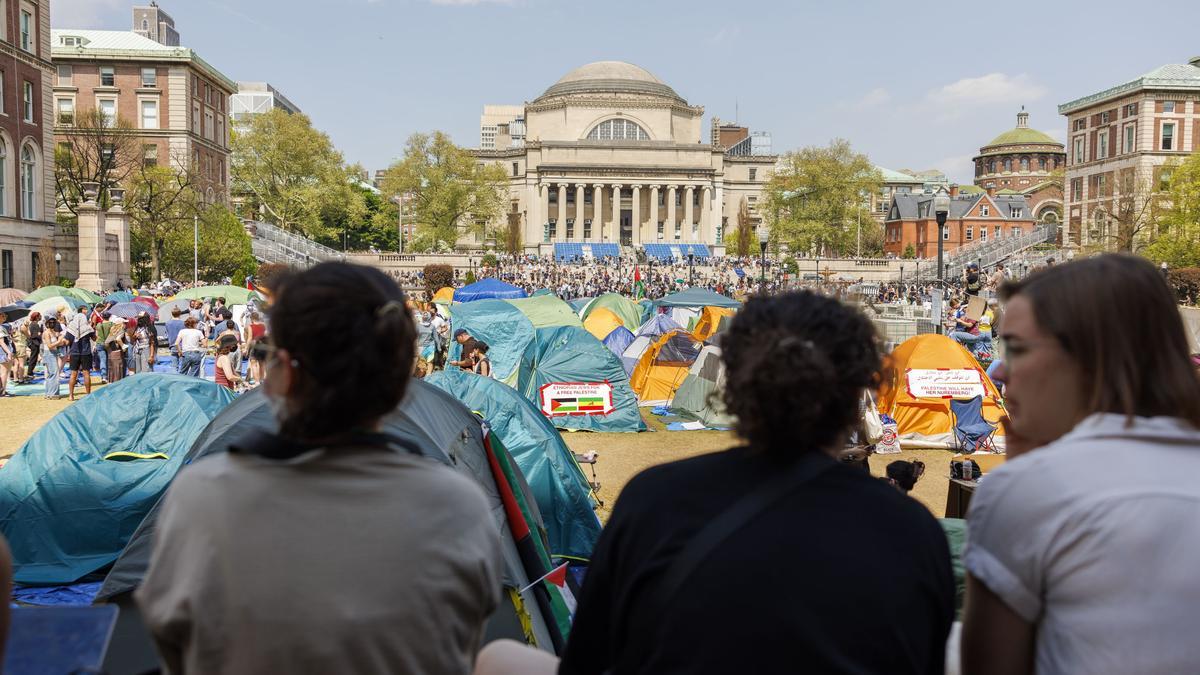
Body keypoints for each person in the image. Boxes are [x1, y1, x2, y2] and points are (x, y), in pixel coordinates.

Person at [479, 291, 956, 675]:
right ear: (859, 397)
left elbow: (591, 656)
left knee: (496, 658)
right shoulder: (911, 528)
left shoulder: (655, 499)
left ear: (733, 388)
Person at [137, 262, 503, 675]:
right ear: (402, 383)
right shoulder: (456, 505)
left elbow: (172, 637)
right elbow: (464, 634)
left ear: (278, 377)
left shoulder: (203, 495)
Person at [962, 254, 1200, 675]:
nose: (998, 372)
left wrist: (1024, 481)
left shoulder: (1032, 490)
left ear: (1087, 357)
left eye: (1016, 349)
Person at [65, 305, 96, 401]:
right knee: (86, 373)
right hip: (86, 353)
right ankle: (88, 394)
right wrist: (93, 328)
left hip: (74, 352)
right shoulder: (87, 328)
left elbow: (67, 341)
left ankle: (71, 395)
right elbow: (94, 338)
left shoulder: (71, 328)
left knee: (73, 374)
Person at [41, 318, 66, 399]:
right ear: (47, 324)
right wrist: (59, 341)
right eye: (50, 322)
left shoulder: (54, 332)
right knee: (54, 373)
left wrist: (62, 340)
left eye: (54, 322)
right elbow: (50, 346)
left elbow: (58, 343)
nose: (52, 324)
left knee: (51, 374)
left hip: (54, 354)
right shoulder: (46, 333)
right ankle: (53, 394)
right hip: (49, 354)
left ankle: (49, 393)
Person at [20, 312, 43, 385]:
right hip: (34, 343)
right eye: (39, 316)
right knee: (33, 358)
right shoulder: (35, 325)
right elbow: (35, 335)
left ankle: (30, 372)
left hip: (34, 343)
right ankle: (30, 373)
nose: (41, 317)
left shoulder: (33, 324)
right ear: (36, 317)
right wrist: (41, 335)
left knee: (33, 358)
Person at [104, 315, 126, 384]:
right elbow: (118, 339)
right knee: (118, 370)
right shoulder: (121, 330)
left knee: (112, 370)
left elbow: (106, 343)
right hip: (118, 353)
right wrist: (123, 346)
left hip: (111, 353)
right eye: (124, 323)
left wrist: (109, 351)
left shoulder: (112, 331)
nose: (125, 324)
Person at [165, 308, 185, 372]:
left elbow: (167, 333)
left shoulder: (168, 323)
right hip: (182, 345)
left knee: (174, 366)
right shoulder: (183, 323)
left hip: (172, 344)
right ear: (180, 314)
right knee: (182, 366)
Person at [0, 314, 13, 396]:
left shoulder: (2, 327)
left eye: (5, 316)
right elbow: (1, 342)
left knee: (5, 371)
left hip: (5, 350)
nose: (5, 317)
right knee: (4, 372)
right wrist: (8, 352)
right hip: (3, 351)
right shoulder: (0, 328)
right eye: (3, 316)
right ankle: (2, 391)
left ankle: (3, 390)